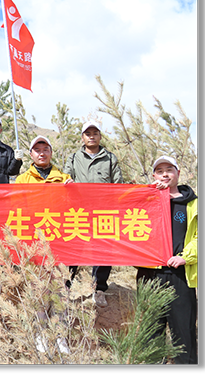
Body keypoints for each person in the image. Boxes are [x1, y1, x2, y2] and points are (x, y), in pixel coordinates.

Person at [14, 135, 74, 354]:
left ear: (50, 152)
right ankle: (40, 334)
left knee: (60, 291)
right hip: (34, 242)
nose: (41, 153)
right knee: (38, 289)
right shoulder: (22, 180)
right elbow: (15, 207)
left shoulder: (64, 178)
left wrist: (73, 191)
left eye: (45, 149)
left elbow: (74, 208)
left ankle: (60, 336)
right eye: (37, 149)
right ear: (31, 154)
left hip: (58, 242)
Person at [137, 155, 197, 364]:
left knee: (184, 331)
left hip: (180, 275)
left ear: (178, 173)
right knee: (151, 330)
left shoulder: (192, 203)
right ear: (154, 175)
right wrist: (149, 193)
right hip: (149, 274)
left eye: (169, 170)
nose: (165, 174)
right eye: (159, 171)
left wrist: (185, 257)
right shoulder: (144, 201)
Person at [62, 121, 123, 306]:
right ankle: (65, 289)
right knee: (73, 250)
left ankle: (99, 289)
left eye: (95, 133)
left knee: (103, 251)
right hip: (79, 213)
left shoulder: (110, 158)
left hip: (103, 213)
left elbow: (118, 185)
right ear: (82, 137)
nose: (91, 136)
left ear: (100, 136)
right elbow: (65, 178)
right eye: (87, 133)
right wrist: (68, 182)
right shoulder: (74, 158)